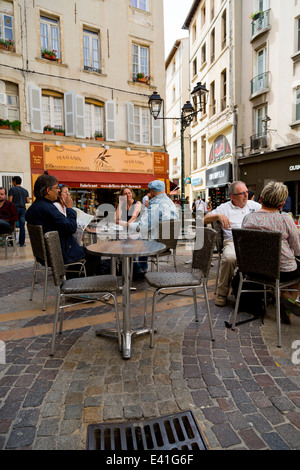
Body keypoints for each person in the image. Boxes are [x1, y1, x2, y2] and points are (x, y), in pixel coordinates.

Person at [242, 181, 300, 324]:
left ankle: (282, 294)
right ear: (282, 204)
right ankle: (286, 296)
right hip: (282, 271)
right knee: (295, 267)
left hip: (253, 270)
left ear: (260, 199)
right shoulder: (285, 218)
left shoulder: (248, 218)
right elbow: (297, 249)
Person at [25, 174, 102, 276]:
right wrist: (69, 208)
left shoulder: (32, 208)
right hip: (60, 253)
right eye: (57, 188)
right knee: (94, 253)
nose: (58, 191)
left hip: (44, 254)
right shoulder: (48, 208)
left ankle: (74, 276)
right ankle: (80, 282)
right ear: (48, 190)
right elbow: (71, 227)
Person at [203, 181, 261, 306]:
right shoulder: (224, 207)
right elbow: (204, 219)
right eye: (242, 193)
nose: (246, 195)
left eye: (246, 192)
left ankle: (267, 292)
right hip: (233, 241)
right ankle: (222, 292)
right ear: (232, 196)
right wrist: (218, 215)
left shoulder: (253, 205)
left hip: (253, 242)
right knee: (229, 258)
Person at [8, 176, 30, 247]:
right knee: (22, 227)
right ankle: (22, 243)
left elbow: (10, 200)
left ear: (14, 181)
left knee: (12, 225)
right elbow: (28, 200)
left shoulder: (12, 189)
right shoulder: (25, 190)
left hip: (14, 209)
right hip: (22, 210)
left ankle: (12, 242)